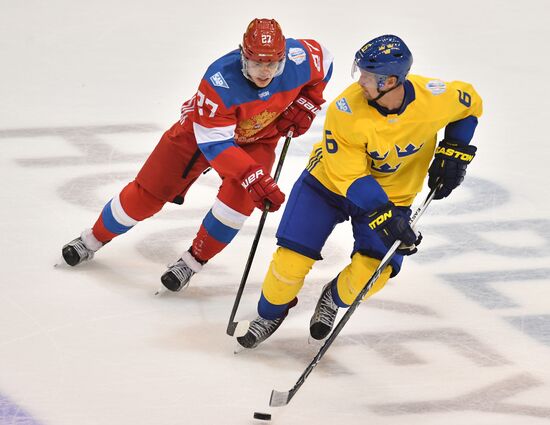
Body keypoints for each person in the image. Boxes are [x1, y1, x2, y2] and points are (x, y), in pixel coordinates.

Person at [237, 34, 482, 348]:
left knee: (373, 273)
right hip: (326, 186)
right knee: (289, 264)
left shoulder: (434, 97)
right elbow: (348, 175)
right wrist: (385, 216)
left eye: (368, 75)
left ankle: (333, 297)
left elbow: (470, 104)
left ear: (391, 81)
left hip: (393, 194)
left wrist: (455, 150)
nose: (359, 81)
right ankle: (270, 312)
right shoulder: (346, 109)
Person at [61, 18, 333, 293]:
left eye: (272, 64)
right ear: (243, 57)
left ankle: (192, 262)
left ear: (283, 58)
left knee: (237, 206)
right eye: (256, 64)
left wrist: (309, 101)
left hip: (258, 139)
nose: (264, 72)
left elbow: (326, 61)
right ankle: (92, 239)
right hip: (198, 136)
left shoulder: (300, 59)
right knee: (148, 196)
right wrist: (251, 175)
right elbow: (216, 145)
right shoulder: (219, 81)